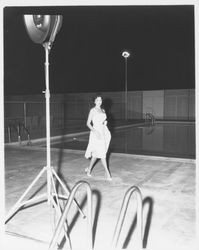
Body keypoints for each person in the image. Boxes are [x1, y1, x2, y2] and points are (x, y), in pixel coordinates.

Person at [85, 94, 112, 181]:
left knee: (96, 154)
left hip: (103, 131)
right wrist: (95, 131)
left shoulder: (103, 110)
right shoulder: (92, 110)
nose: (99, 102)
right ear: (94, 101)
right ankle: (107, 173)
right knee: (102, 154)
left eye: (100, 100)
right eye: (97, 100)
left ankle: (89, 170)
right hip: (95, 133)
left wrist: (105, 123)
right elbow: (88, 123)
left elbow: (103, 120)